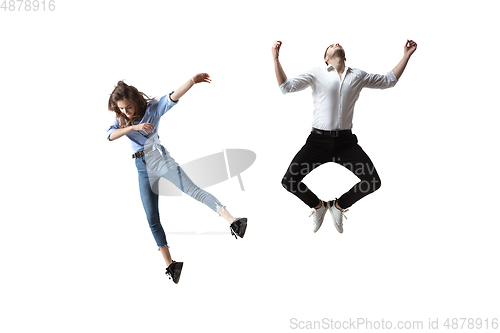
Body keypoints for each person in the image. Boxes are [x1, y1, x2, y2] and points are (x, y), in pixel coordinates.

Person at [106, 74, 247, 284]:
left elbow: (172, 97)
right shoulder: (122, 120)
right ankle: (171, 266)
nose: (125, 112)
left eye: (128, 107)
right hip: (141, 167)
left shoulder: (153, 108)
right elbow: (109, 136)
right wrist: (132, 126)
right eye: (122, 109)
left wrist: (191, 81)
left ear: (135, 101)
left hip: (159, 159)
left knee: (192, 190)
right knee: (151, 217)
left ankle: (234, 222)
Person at [272, 39, 417, 234]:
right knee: (289, 181)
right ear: (326, 58)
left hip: (345, 143)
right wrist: (275, 58)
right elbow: (286, 87)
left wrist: (406, 56)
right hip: (317, 142)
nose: (336, 43)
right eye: (331, 45)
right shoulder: (317, 73)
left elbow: (388, 81)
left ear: (345, 57)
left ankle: (338, 206)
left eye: (338, 44)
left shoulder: (357, 75)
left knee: (372, 181)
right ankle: (319, 206)